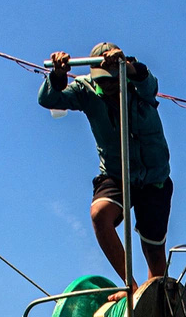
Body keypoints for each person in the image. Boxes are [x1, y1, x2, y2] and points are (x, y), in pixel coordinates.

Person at [39, 43, 172, 283]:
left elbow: (147, 80)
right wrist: (57, 76)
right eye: (103, 80)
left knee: (154, 255)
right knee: (99, 214)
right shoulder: (86, 89)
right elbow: (49, 98)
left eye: (113, 79)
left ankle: (156, 299)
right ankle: (131, 288)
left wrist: (128, 67)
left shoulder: (139, 85)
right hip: (116, 173)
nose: (108, 86)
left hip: (154, 176)